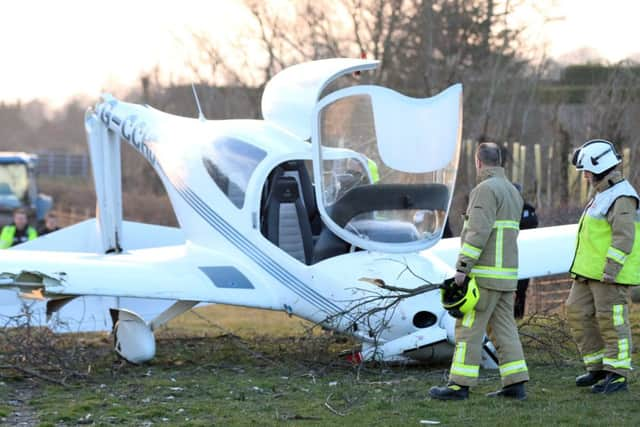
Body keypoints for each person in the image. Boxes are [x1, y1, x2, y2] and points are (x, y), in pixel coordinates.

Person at [429, 142, 528, 401]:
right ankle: (515, 384)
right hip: (507, 277)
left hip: (484, 276)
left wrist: (462, 268)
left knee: (468, 330)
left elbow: (477, 233)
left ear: (478, 162)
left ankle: (458, 386)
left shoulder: (484, 190)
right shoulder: (512, 191)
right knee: (505, 330)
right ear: (500, 161)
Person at [566, 139, 639, 394]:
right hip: (588, 274)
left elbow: (623, 238)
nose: (584, 176)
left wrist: (611, 270)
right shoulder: (603, 193)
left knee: (612, 321)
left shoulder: (622, 196)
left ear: (599, 168)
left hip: (609, 275)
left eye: (586, 171)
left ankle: (617, 374)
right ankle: (597, 368)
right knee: (576, 312)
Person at [512, 183, 539, 318]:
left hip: (524, 257)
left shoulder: (527, 209)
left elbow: (532, 224)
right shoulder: (500, 209)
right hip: (506, 257)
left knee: (521, 290)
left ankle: (518, 317)